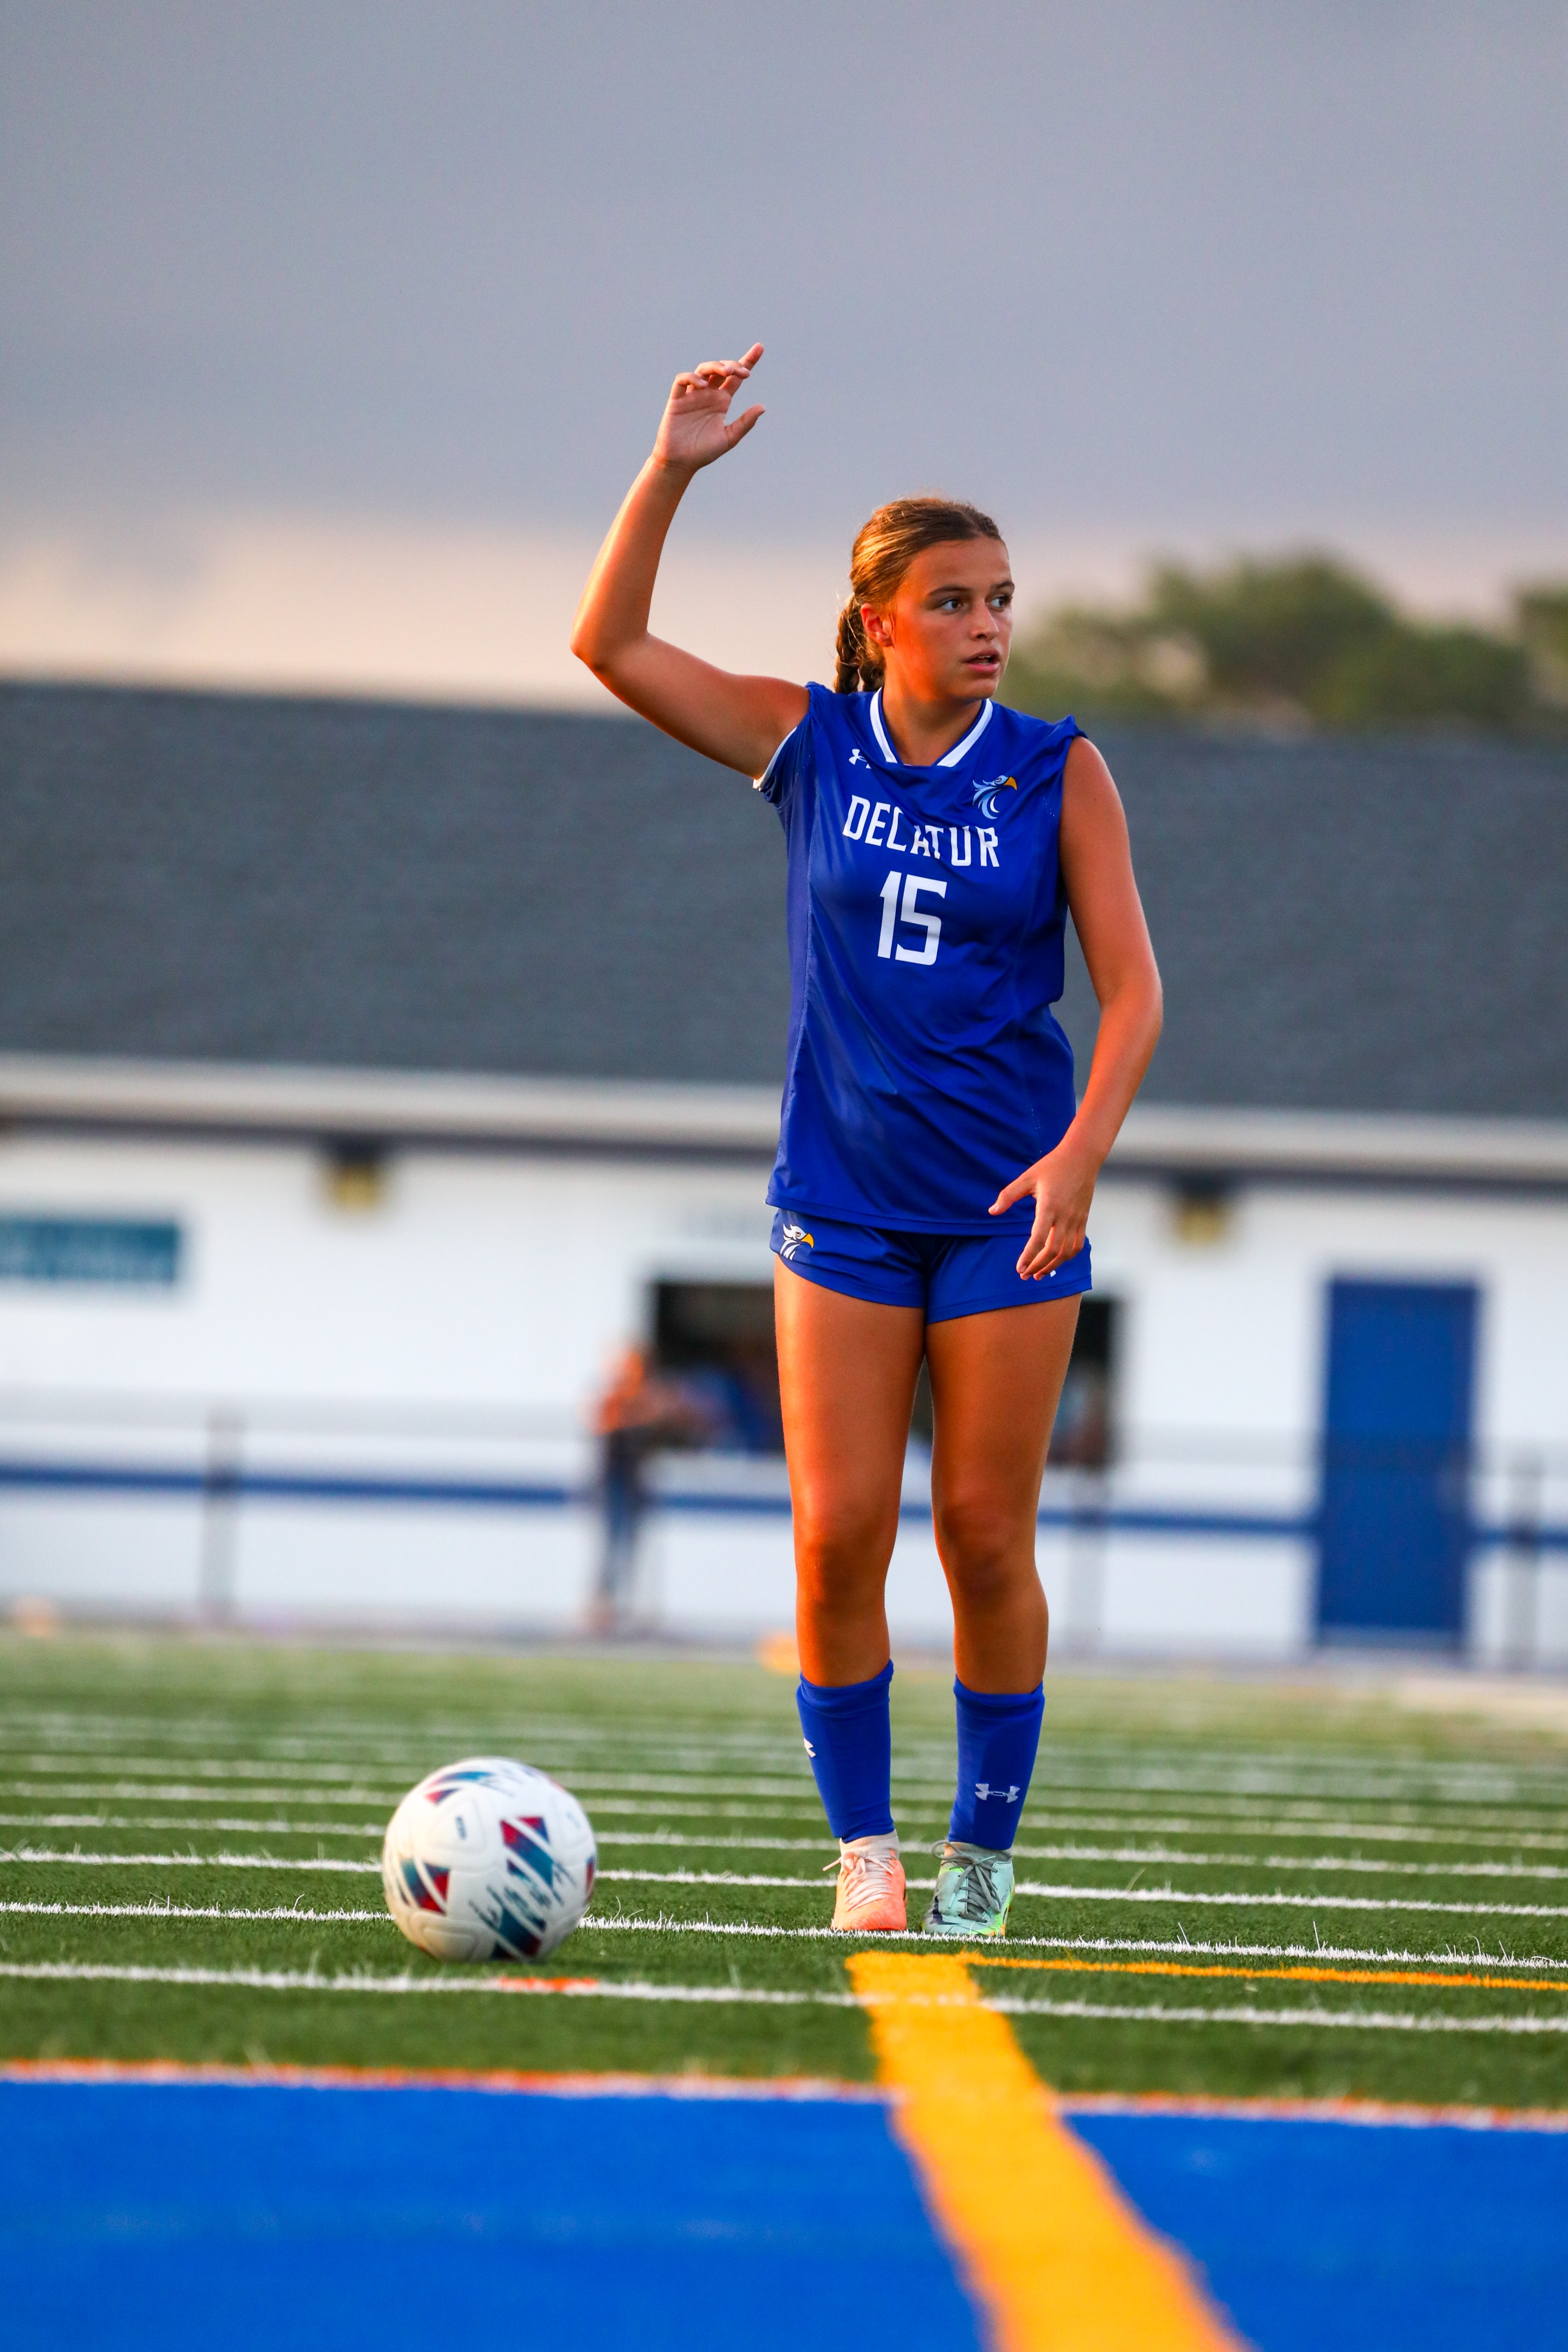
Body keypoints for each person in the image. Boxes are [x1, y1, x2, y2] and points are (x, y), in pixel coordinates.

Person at [571, 346, 1162, 1936]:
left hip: (1004, 1211)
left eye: (1002, 600)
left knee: (981, 1531)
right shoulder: (811, 746)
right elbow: (607, 642)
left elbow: (1134, 995)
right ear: (880, 618)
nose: (987, 626)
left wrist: (1080, 1156)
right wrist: (673, 465)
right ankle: (866, 1858)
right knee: (833, 1534)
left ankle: (978, 1860)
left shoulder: (1058, 767)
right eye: (956, 601)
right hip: (837, 1203)